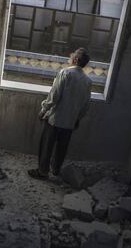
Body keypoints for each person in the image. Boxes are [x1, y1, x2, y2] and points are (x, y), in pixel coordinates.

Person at [28, 48, 92, 179]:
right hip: (70, 122)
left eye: (72, 55)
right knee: (62, 148)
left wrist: (43, 110)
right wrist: (77, 119)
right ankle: (56, 170)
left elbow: (54, 96)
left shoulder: (65, 73)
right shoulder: (87, 81)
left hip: (55, 119)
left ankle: (43, 171)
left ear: (75, 59)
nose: (70, 57)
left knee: (47, 146)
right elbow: (85, 105)